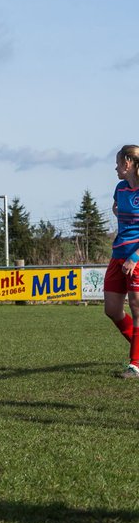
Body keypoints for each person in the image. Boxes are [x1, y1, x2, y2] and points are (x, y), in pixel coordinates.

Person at [104, 145, 139, 378]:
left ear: (128, 163)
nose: (115, 167)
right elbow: (119, 211)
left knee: (137, 309)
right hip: (118, 255)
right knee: (112, 310)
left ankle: (135, 364)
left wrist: (135, 257)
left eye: (118, 163)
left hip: (136, 258)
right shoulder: (120, 188)